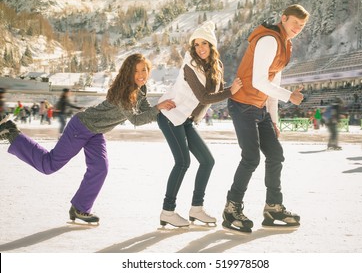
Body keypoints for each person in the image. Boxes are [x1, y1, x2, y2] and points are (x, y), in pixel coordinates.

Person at [0, 54, 175, 224]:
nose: (141, 75)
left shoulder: (140, 90)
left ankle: (79, 208)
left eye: (144, 70)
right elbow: (136, 119)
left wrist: (163, 109)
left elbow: (145, 111)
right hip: (81, 127)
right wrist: (158, 108)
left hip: (96, 132)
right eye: (136, 71)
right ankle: (13, 133)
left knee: (100, 168)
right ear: (129, 72)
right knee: (49, 165)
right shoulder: (124, 92)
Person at [222, 4, 310, 233]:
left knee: (275, 155)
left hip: (259, 108)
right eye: (294, 23)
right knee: (251, 158)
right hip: (242, 104)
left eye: (302, 26)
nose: (298, 28)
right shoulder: (269, 40)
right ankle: (231, 208)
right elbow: (259, 81)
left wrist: (273, 120)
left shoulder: (285, 44)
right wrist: (290, 97)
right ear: (283, 18)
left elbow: (273, 85)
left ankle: (273, 207)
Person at [157, 21, 243, 228]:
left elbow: (217, 92)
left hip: (185, 120)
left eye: (204, 43)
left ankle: (196, 209)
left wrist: (232, 89)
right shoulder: (190, 66)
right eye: (196, 45)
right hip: (170, 116)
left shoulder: (216, 66)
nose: (200, 48)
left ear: (212, 46)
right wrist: (232, 90)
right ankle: (167, 211)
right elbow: (204, 97)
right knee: (183, 162)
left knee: (207, 161)